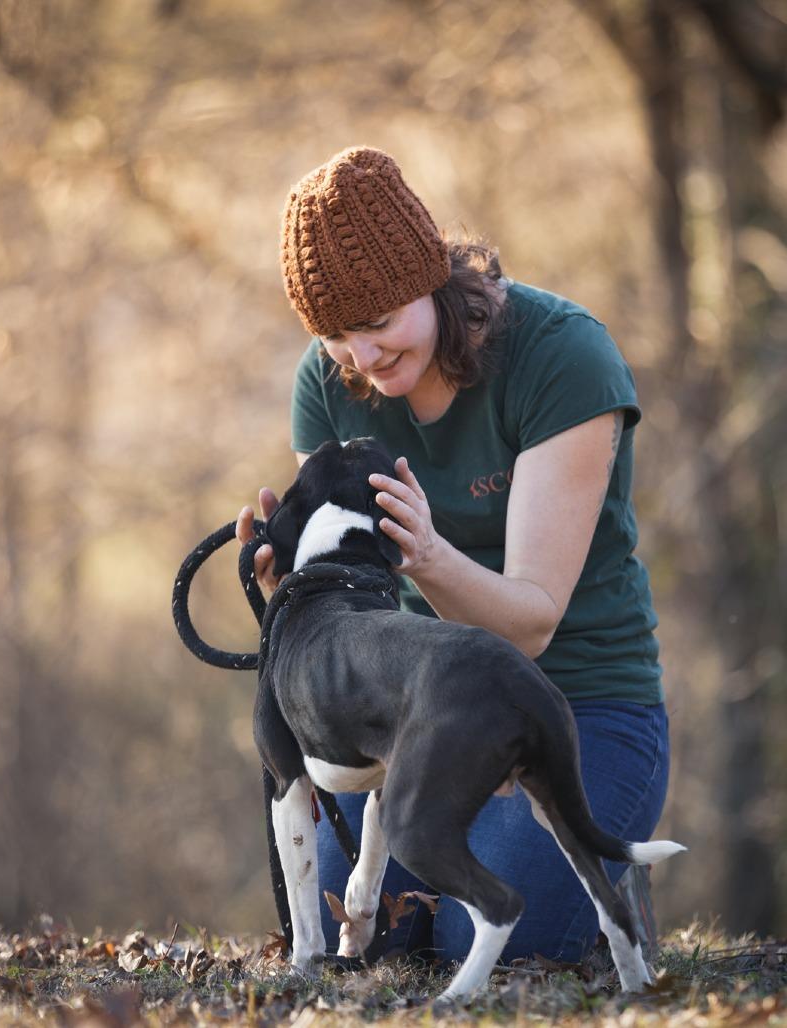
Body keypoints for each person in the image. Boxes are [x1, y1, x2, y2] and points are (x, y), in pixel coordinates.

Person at [236, 146, 669, 966]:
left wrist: (427, 555)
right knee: (372, 938)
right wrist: (289, 580)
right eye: (335, 336)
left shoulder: (562, 357)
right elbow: (348, 594)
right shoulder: (326, 383)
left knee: (498, 940)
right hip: (412, 704)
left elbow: (532, 622)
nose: (361, 359)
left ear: (429, 278)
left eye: (376, 323)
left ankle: (601, 874)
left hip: (577, 701)